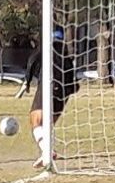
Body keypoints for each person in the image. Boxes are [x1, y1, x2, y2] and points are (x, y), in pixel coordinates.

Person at [15, 27, 79, 168]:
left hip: (48, 86)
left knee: (36, 120)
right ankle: (47, 152)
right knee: (47, 125)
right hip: (63, 93)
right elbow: (73, 80)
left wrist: (27, 81)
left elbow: (32, 60)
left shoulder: (46, 48)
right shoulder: (66, 55)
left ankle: (47, 152)